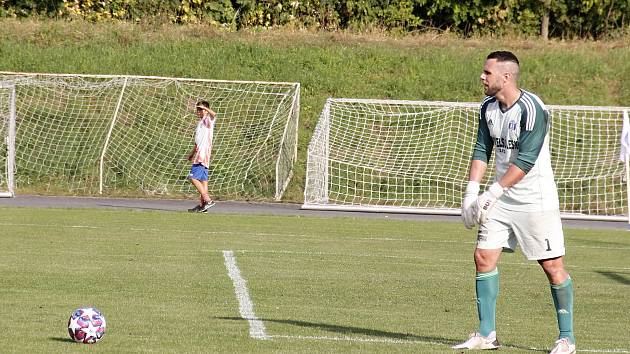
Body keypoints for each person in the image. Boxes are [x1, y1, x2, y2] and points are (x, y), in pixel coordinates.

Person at [454, 51, 575, 354]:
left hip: (535, 200)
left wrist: (490, 193)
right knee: (483, 257)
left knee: (552, 266)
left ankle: (567, 338)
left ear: (506, 77)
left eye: (487, 73)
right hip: (501, 197)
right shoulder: (487, 108)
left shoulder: (533, 109)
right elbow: (482, 149)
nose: (482, 77)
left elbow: (526, 161)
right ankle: (486, 335)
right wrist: (471, 193)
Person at [187, 100, 217, 213]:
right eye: (197, 110)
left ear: (205, 110)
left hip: (203, 154)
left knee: (192, 177)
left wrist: (206, 111)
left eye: (200, 109)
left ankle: (208, 200)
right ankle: (202, 205)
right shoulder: (200, 123)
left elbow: (214, 115)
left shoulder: (207, 120)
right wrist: (191, 154)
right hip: (201, 153)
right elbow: (197, 142)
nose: (198, 112)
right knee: (203, 181)